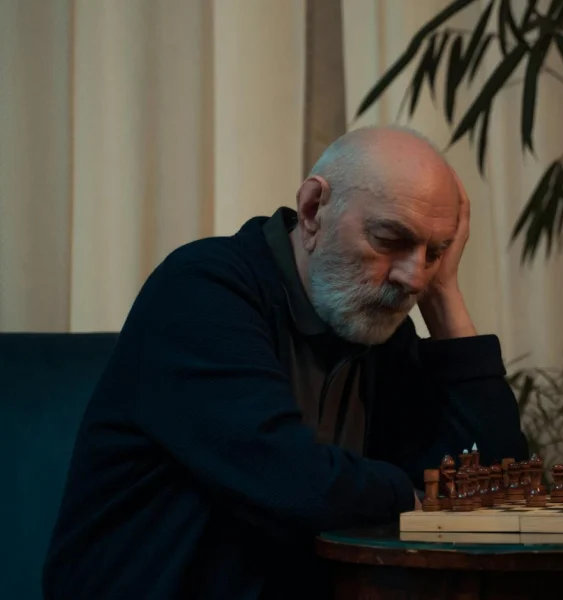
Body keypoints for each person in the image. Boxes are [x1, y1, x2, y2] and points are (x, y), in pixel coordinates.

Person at [42, 125, 529, 599]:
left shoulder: (374, 322)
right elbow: (290, 480)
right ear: (313, 210)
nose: (413, 277)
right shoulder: (201, 291)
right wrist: (410, 495)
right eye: (389, 239)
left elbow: (490, 481)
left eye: (433, 253)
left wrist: (444, 299)